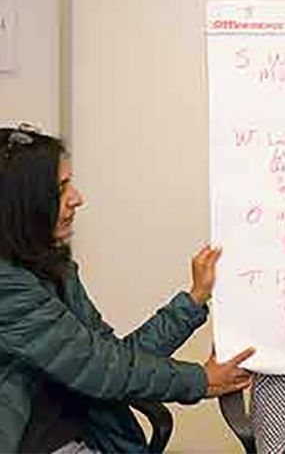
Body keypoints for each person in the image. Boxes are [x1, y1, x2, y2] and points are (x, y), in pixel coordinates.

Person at [0, 125, 255, 453]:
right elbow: (100, 367)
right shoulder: (8, 287)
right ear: (23, 203)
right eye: (61, 188)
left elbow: (114, 357)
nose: (77, 199)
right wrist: (201, 380)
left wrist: (195, 298)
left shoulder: (53, 269)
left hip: (89, 436)